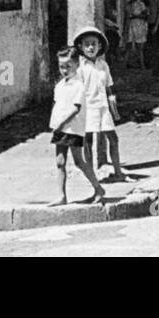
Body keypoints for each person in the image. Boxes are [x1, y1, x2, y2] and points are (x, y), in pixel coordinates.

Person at [49, 47, 104, 206]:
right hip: (60, 128)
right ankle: (61, 196)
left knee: (79, 161)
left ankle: (98, 188)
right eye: (61, 66)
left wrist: (61, 123)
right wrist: (55, 123)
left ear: (76, 65)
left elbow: (76, 108)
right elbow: (57, 105)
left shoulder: (78, 85)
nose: (64, 70)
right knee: (60, 162)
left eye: (68, 66)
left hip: (72, 129)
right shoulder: (59, 86)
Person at [74, 27, 126, 181]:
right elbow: (77, 91)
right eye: (87, 44)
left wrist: (114, 109)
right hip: (88, 109)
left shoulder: (103, 65)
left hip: (103, 108)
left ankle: (118, 173)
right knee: (88, 142)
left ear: (99, 46)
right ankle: (92, 176)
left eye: (94, 44)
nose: (91, 47)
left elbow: (108, 87)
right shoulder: (80, 68)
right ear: (81, 47)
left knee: (113, 139)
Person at [123, 0, 149, 69]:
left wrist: (137, 16)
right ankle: (124, 64)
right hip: (130, 27)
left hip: (139, 27)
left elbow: (146, 15)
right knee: (128, 46)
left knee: (140, 47)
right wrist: (125, 30)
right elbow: (126, 18)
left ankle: (142, 65)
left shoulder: (140, 4)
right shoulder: (128, 5)